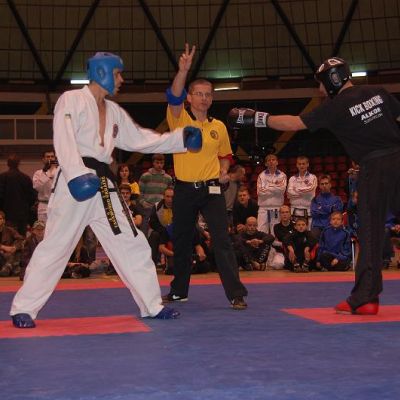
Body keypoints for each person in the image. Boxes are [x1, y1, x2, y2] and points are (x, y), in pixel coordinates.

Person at [9, 51, 203, 328]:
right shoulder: (71, 100)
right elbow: (63, 137)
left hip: (103, 184)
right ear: (101, 72)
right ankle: (24, 308)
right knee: (56, 246)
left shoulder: (113, 111)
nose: (121, 80)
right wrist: (76, 173)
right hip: (74, 182)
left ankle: (151, 305)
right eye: (117, 74)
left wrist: (179, 140)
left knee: (132, 242)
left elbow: (141, 139)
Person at [228, 56, 400, 315]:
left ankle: (366, 298)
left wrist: (257, 118)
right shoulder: (379, 91)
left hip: (374, 169)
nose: (320, 90)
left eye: (321, 83)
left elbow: (294, 123)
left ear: (332, 80)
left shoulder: (335, 106)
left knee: (370, 234)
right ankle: (366, 297)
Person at [163, 43, 248, 310]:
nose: (203, 98)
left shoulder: (219, 126)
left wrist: (223, 169)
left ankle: (236, 294)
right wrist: (183, 71)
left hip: (212, 190)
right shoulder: (179, 120)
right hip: (184, 189)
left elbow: (225, 155)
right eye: (198, 94)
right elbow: (173, 95)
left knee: (222, 240)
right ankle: (179, 291)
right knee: (182, 240)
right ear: (189, 97)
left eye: (208, 94)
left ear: (212, 99)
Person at [0, 154, 37, 235]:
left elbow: (0, 196)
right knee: (21, 237)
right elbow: (32, 197)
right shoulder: (25, 178)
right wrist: (27, 207)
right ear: (18, 163)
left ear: (8, 164)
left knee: (7, 236)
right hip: (22, 214)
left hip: (6, 214)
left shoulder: (2, 177)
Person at [138, 154, 173, 237]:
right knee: (145, 228)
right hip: (148, 207)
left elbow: (171, 193)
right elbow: (139, 193)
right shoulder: (145, 176)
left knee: (164, 229)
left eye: (161, 163)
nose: (159, 165)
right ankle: (144, 242)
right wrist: (144, 203)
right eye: (157, 162)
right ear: (153, 163)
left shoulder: (168, 178)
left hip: (162, 207)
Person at [256, 154, 287, 235]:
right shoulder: (261, 175)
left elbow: (282, 190)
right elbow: (260, 192)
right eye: (269, 160)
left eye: (273, 160)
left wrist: (267, 187)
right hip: (263, 207)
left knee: (275, 231)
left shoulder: (282, 175)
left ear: (277, 162)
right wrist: (275, 187)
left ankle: (275, 244)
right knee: (261, 231)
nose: (271, 162)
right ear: (266, 163)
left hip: (276, 207)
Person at [310, 174, 343, 239]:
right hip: (318, 227)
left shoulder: (337, 199)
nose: (324, 186)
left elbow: (337, 213)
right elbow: (314, 214)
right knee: (313, 236)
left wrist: (321, 209)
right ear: (319, 186)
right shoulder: (315, 199)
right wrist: (330, 209)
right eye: (322, 184)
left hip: (332, 226)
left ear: (330, 185)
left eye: (326, 183)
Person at [286, 156, 317, 224]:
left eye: (303, 164)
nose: (301, 166)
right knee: (294, 230)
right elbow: (289, 193)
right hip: (294, 209)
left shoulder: (312, 177)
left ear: (307, 164)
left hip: (308, 209)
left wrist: (296, 189)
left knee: (308, 230)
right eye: (299, 164)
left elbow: (310, 191)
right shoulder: (292, 178)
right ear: (297, 165)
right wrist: (304, 192)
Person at [148, 187, 174, 266]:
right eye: (167, 196)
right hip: (161, 231)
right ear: (163, 196)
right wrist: (165, 231)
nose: (170, 199)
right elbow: (152, 222)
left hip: (174, 232)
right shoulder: (156, 206)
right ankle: (152, 263)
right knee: (154, 235)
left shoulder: (180, 207)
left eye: (172, 197)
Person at [32, 150, 58, 222]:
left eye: (52, 156)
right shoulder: (38, 173)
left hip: (56, 205)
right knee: (42, 227)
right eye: (48, 157)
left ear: (55, 158)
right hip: (43, 205)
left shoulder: (59, 172)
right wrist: (45, 173)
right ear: (43, 159)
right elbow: (36, 187)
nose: (50, 158)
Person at [0, 210, 24, 277]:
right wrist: (3, 247)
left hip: (8, 255)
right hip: (3, 255)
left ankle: (8, 268)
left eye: (0, 219)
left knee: (17, 250)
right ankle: (14, 269)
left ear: (4, 220)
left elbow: (21, 240)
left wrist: (14, 248)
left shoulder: (9, 230)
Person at [272, 205, 295, 270]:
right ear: (280, 214)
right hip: (282, 251)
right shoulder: (276, 227)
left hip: (294, 250)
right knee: (277, 265)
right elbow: (284, 239)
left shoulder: (295, 225)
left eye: (287, 212)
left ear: (290, 214)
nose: (285, 214)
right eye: (282, 212)